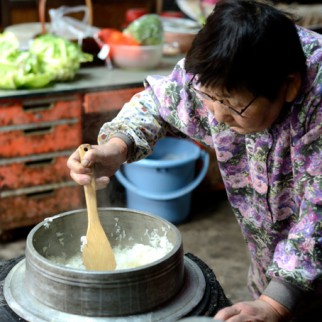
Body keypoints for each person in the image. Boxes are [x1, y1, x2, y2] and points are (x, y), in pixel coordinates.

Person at [67, 0, 322, 321]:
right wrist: (115, 149)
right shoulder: (221, 66)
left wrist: (275, 303)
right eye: (209, 98)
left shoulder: (314, 101)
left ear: (290, 86)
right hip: (270, 265)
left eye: (233, 106)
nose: (216, 114)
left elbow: (317, 217)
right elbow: (158, 103)